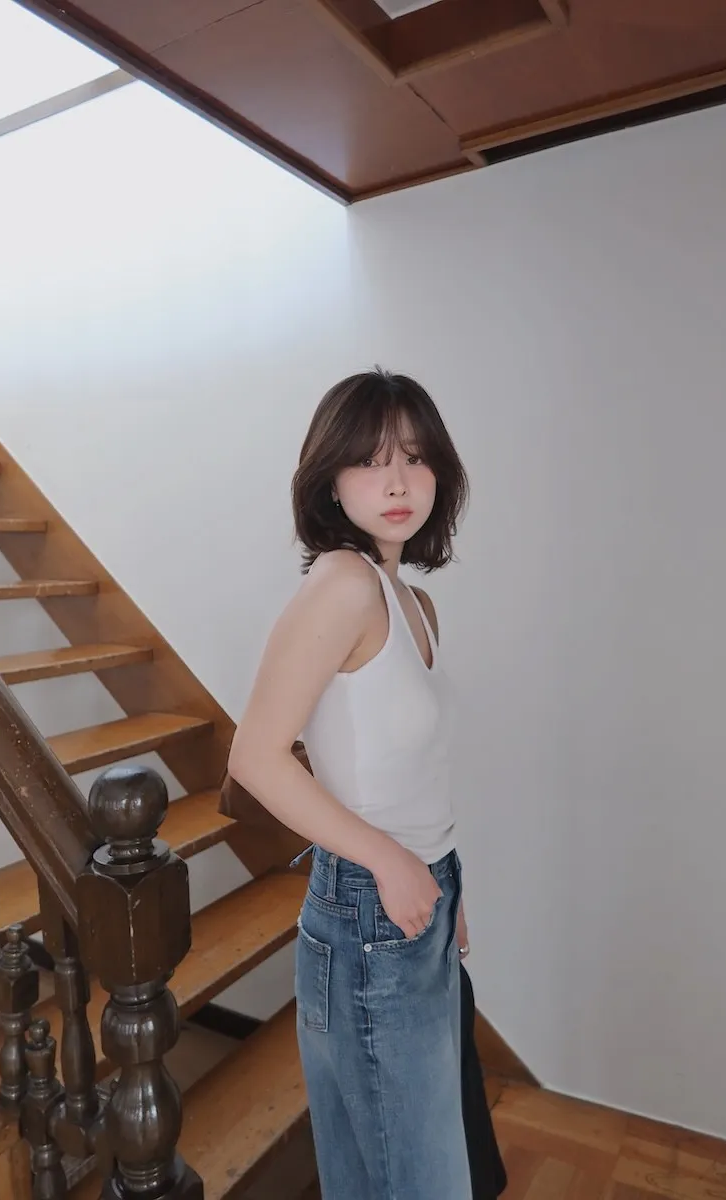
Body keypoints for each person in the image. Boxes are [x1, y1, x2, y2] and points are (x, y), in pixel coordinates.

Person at [228, 368, 473, 1199]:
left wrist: (445, 877)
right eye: (370, 461)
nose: (398, 481)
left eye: (415, 456)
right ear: (331, 480)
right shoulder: (343, 581)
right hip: (370, 910)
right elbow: (255, 756)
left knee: (391, 1176)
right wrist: (393, 862)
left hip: (418, 898)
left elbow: (414, 772)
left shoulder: (413, 604)